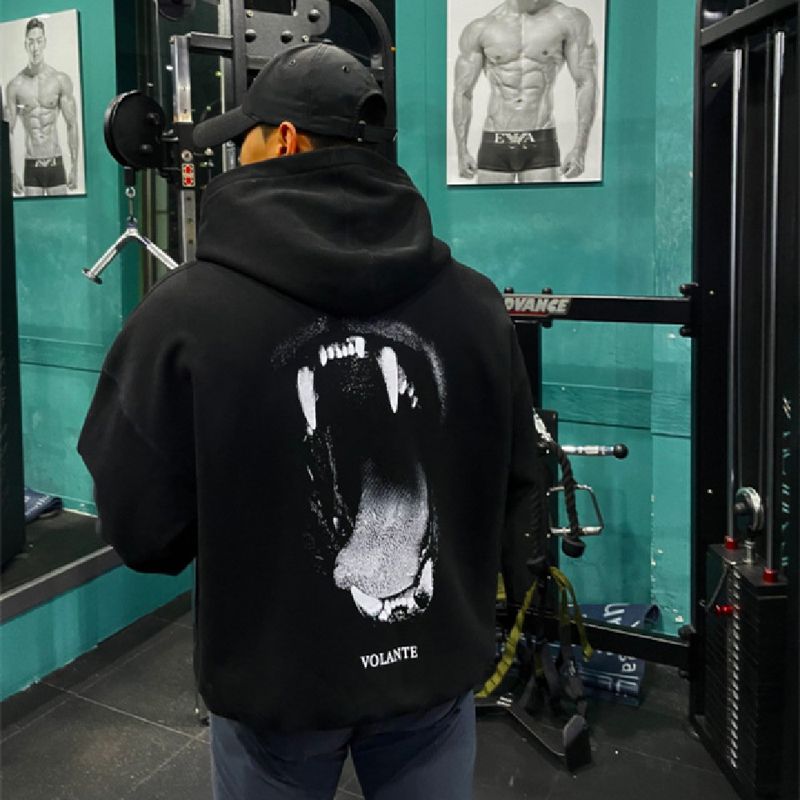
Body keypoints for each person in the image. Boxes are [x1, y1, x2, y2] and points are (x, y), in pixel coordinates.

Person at [78, 43, 545, 800]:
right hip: (433, 672)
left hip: (275, 690)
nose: (235, 155)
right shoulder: (478, 303)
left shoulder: (182, 315)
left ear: (286, 140)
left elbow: (141, 532)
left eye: (245, 137)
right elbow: (518, 480)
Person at [453, 0, 598, 184]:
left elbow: (586, 82)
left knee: (544, 204)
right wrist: (462, 151)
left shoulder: (568, 20)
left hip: (541, 139)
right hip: (495, 140)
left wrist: (580, 148)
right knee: (490, 204)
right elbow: (463, 92)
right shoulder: (481, 29)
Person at [4, 17, 80, 197]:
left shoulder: (60, 80)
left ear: (45, 42)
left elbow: (72, 124)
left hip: (56, 163)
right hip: (31, 165)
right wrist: (11, 172)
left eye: (39, 41)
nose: (35, 47)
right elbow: (7, 131)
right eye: (31, 42)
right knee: (31, 214)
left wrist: (74, 167)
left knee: (63, 213)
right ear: (25, 44)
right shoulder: (15, 86)